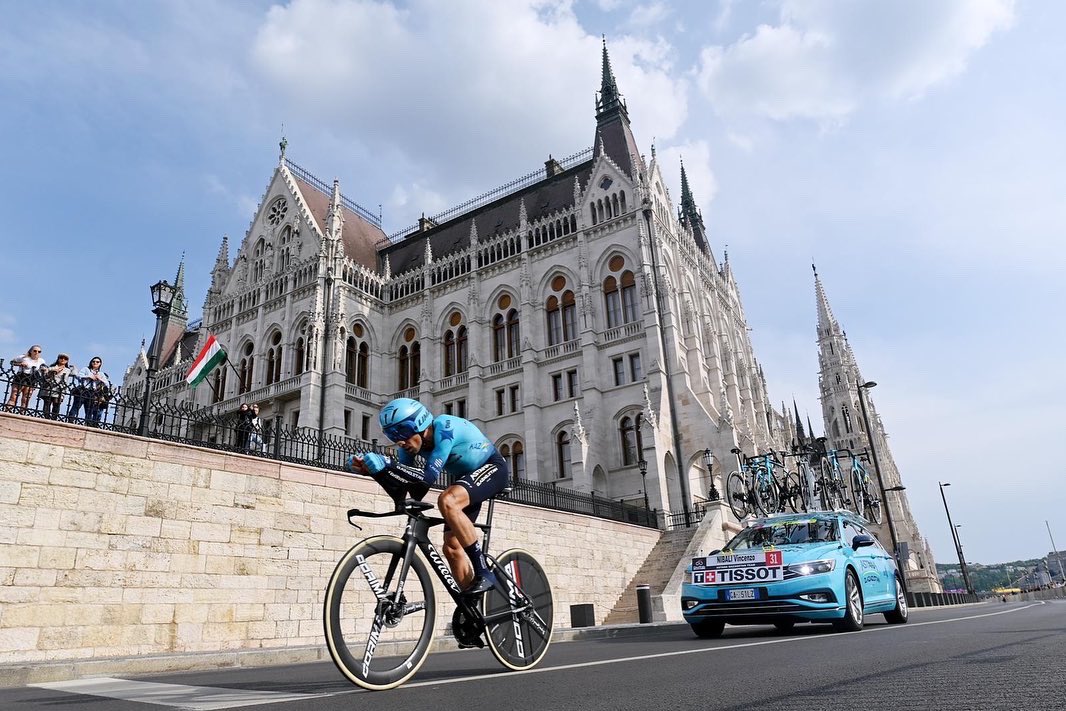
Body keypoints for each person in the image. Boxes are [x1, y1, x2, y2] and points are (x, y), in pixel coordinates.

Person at [345, 398, 509, 595]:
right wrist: (373, 471)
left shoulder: (445, 428)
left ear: (420, 423)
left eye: (401, 432)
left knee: (447, 500)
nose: (399, 441)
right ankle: (474, 608)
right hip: (466, 478)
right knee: (451, 548)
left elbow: (427, 479)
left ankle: (484, 572)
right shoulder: (410, 447)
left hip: (492, 467)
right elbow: (413, 488)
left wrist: (387, 463)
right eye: (392, 435)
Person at [68, 357, 109, 424]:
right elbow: (79, 376)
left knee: (89, 409)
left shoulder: (101, 374)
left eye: (97, 362)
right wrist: (89, 376)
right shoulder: (86, 369)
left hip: (92, 392)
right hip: (83, 390)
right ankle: (71, 420)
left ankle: (87, 423)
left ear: (100, 364)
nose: (95, 363)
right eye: (94, 361)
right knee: (76, 406)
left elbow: (107, 384)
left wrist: (100, 379)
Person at [6, 345, 46, 409]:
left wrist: (44, 369)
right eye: (35, 351)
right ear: (31, 351)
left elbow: (43, 368)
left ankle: (22, 413)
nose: (37, 352)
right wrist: (20, 364)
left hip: (31, 378)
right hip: (21, 376)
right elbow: (12, 362)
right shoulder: (23, 357)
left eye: (39, 351)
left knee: (25, 399)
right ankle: (7, 411)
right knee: (14, 396)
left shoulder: (41, 361)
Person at [39, 354, 74, 419]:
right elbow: (43, 371)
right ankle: (46, 417)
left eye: (65, 359)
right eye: (61, 358)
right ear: (58, 359)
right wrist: (53, 370)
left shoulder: (67, 370)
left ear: (67, 361)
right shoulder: (52, 367)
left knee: (56, 404)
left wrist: (73, 367)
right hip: (49, 387)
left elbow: (75, 373)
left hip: (59, 389)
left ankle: (54, 418)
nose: (63, 359)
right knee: (47, 403)